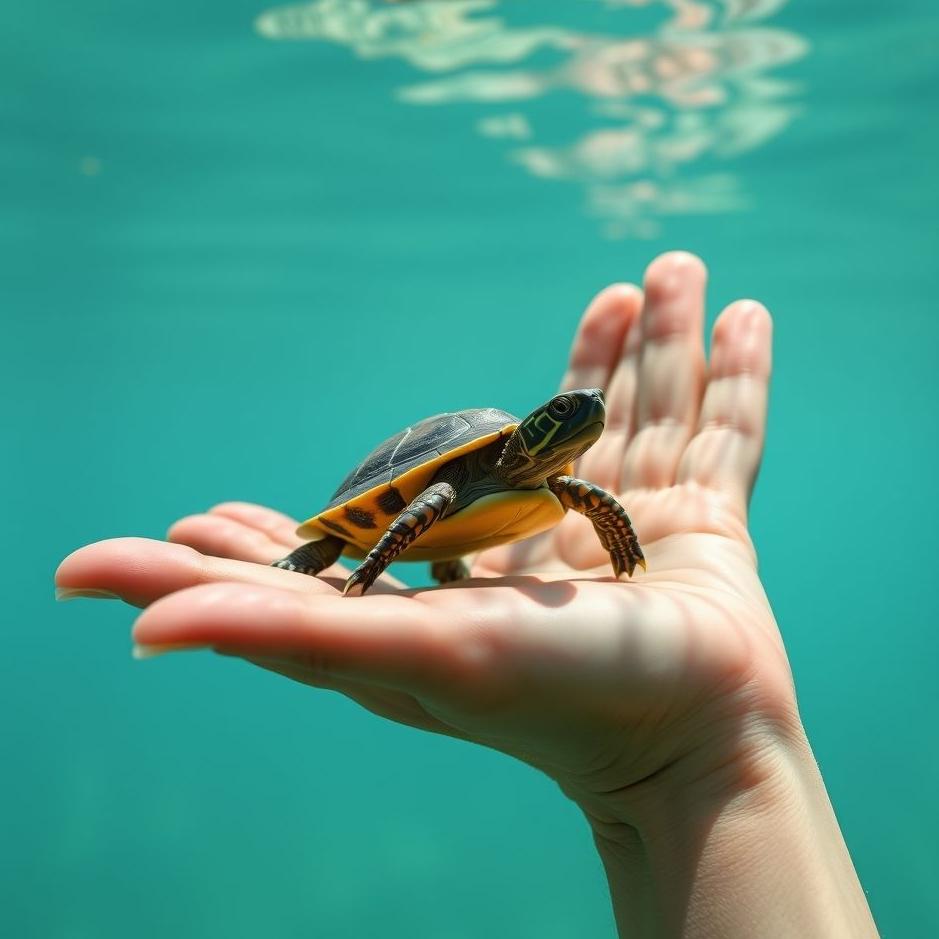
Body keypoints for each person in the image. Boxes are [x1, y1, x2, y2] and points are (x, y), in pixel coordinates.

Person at [56, 252, 879, 937]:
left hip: (469, 532)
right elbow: (424, 499)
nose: (580, 414)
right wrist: (362, 570)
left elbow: (595, 504)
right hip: (399, 514)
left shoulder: (559, 489)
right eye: (563, 413)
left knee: (527, 508)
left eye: (578, 415)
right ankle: (328, 551)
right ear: (534, 426)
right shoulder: (469, 472)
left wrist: (626, 555)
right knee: (406, 515)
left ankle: (423, 566)